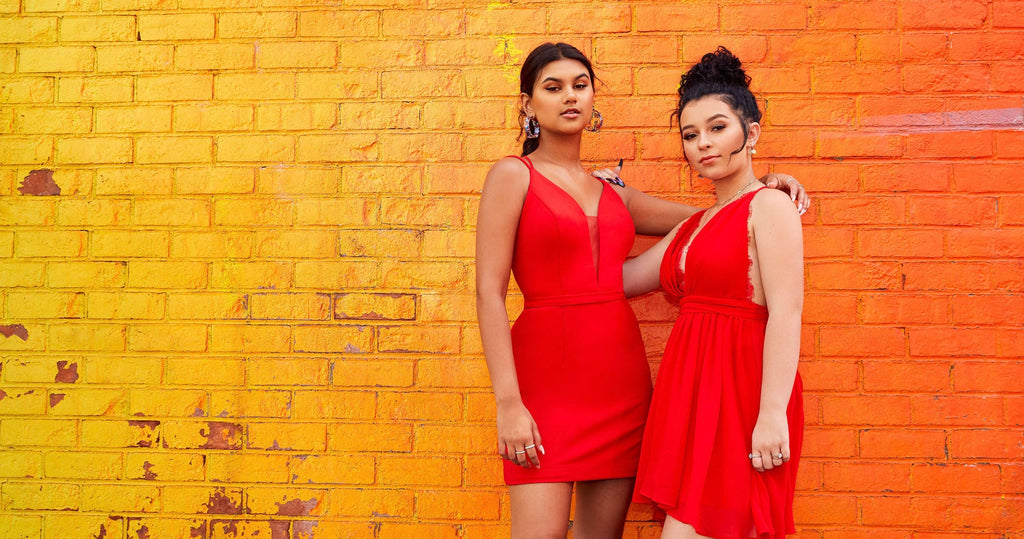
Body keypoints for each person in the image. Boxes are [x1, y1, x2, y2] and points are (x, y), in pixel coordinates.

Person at [475, 42, 806, 539]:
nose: (570, 97)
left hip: (620, 387)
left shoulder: (614, 192)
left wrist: (765, 186)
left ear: (593, 99)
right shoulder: (511, 175)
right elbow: (487, 293)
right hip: (543, 381)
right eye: (554, 87)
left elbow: (715, 219)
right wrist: (508, 402)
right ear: (528, 105)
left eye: (580, 85)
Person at [623, 47, 805, 539]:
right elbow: (619, 280)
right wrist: (592, 200)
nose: (703, 143)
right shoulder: (693, 227)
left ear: (752, 131)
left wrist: (771, 416)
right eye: (690, 134)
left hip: (743, 398)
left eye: (718, 127)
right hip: (691, 400)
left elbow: (787, 314)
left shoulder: (770, 206)